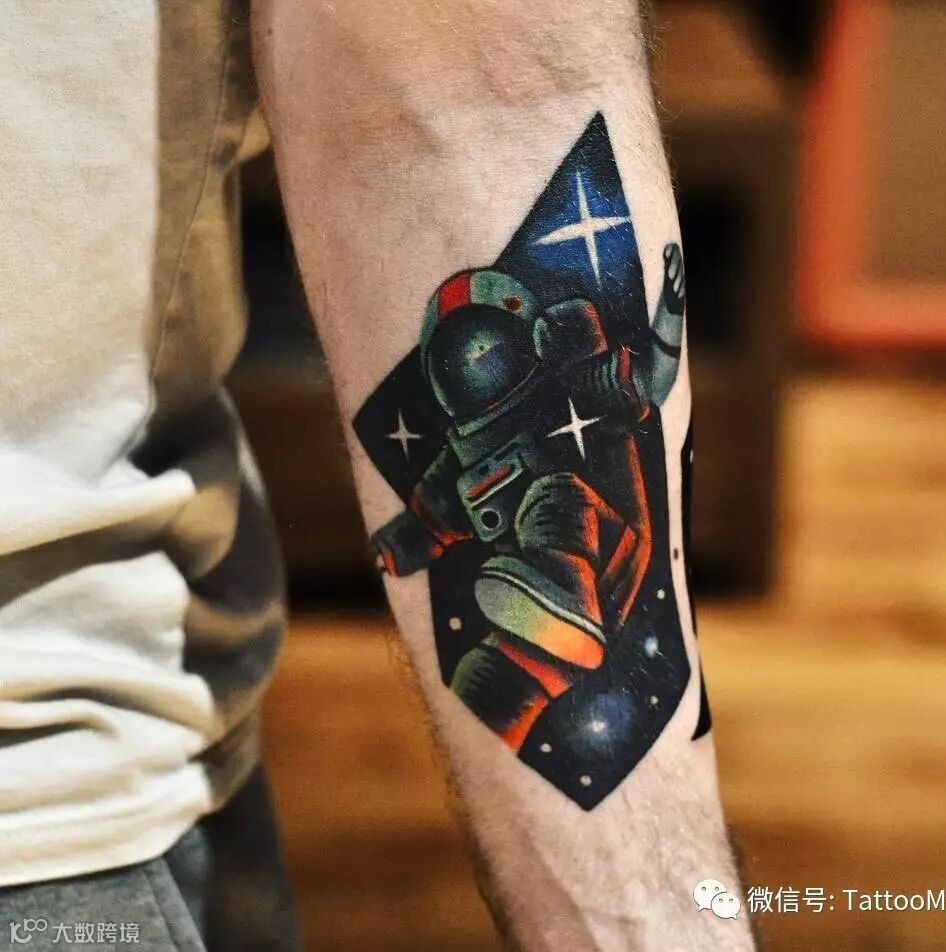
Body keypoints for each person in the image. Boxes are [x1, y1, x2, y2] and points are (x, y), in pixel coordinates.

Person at [0, 1, 753, 949]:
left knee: (559, 504)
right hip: (61, 766)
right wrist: (409, 539)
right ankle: (522, 645)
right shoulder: (468, 450)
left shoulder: (566, 380)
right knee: (498, 641)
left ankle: (554, 598)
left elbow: (475, 111)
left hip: (55, 772)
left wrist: (651, 918)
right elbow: (433, 514)